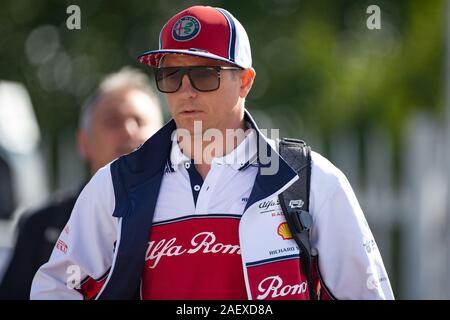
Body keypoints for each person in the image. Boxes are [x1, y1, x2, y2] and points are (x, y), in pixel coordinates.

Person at [30, 6, 394, 300]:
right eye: (171, 75)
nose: (186, 91)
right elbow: (56, 287)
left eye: (205, 74)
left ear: (245, 81)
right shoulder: (119, 182)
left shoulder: (310, 179)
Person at [0, 67, 163, 299]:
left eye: (140, 121)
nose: (129, 131)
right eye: (113, 122)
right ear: (84, 142)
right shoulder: (42, 225)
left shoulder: (192, 217)